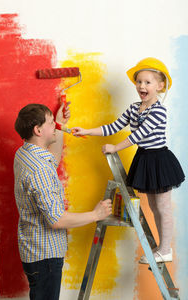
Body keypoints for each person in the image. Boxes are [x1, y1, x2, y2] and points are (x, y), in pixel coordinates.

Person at [72, 57, 185, 264]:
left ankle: (166, 249)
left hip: (159, 160)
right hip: (144, 159)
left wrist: (115, 147)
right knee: (152, 206)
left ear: (160, 86)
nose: (142, 86)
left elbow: (138, 135)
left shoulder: (159, 110)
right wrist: (86, 130)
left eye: (147, 82)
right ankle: (161, 246)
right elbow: (113, 127)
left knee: (163, 207)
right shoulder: (134, 108)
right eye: (139, 82)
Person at [14, 102, 112, 300]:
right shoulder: (39, 170)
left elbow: (53, 160)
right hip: (45, 257)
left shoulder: (26, 153)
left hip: (33, 249)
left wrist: (59, 120)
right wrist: (96, 215)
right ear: (38, 130)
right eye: (51, 124)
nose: (56, 127)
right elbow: (56, 220)